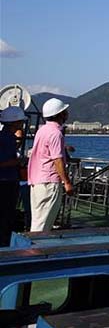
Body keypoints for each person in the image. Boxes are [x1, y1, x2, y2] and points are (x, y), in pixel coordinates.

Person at [28, 98, 74, 232]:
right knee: (42, 225)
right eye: (65, 111)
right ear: (60, 114)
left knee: (38, 221)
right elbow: (57, 160)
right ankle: (33, 246)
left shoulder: (42, 130)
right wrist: (67, 182)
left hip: (37, 181)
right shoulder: (56, 133)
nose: (67, 113)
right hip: (49, 183)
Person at [0, 106, 26, 245]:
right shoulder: (5, 138)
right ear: (15, 122)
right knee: (5, 217)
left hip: (8, 181)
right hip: (6, 183)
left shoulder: (8, 137)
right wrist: (18, 161)